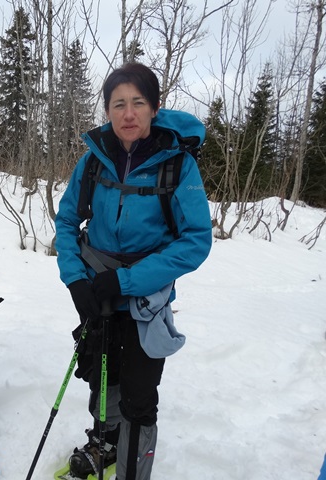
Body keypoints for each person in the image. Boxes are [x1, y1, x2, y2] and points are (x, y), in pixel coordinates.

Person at [54, 63, 212, 480]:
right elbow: (67, 222)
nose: (128, 113)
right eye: (118, 104)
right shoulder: (91, 162)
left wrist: (124, 281)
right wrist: (74, 280)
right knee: (100, 375)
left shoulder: (178, 167)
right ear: (107, 109)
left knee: (139, 396)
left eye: (138, 103)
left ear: (154, 108)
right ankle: (105, 442)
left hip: (146, 300)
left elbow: (195, 241)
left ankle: (131, 471)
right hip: (95, 291)